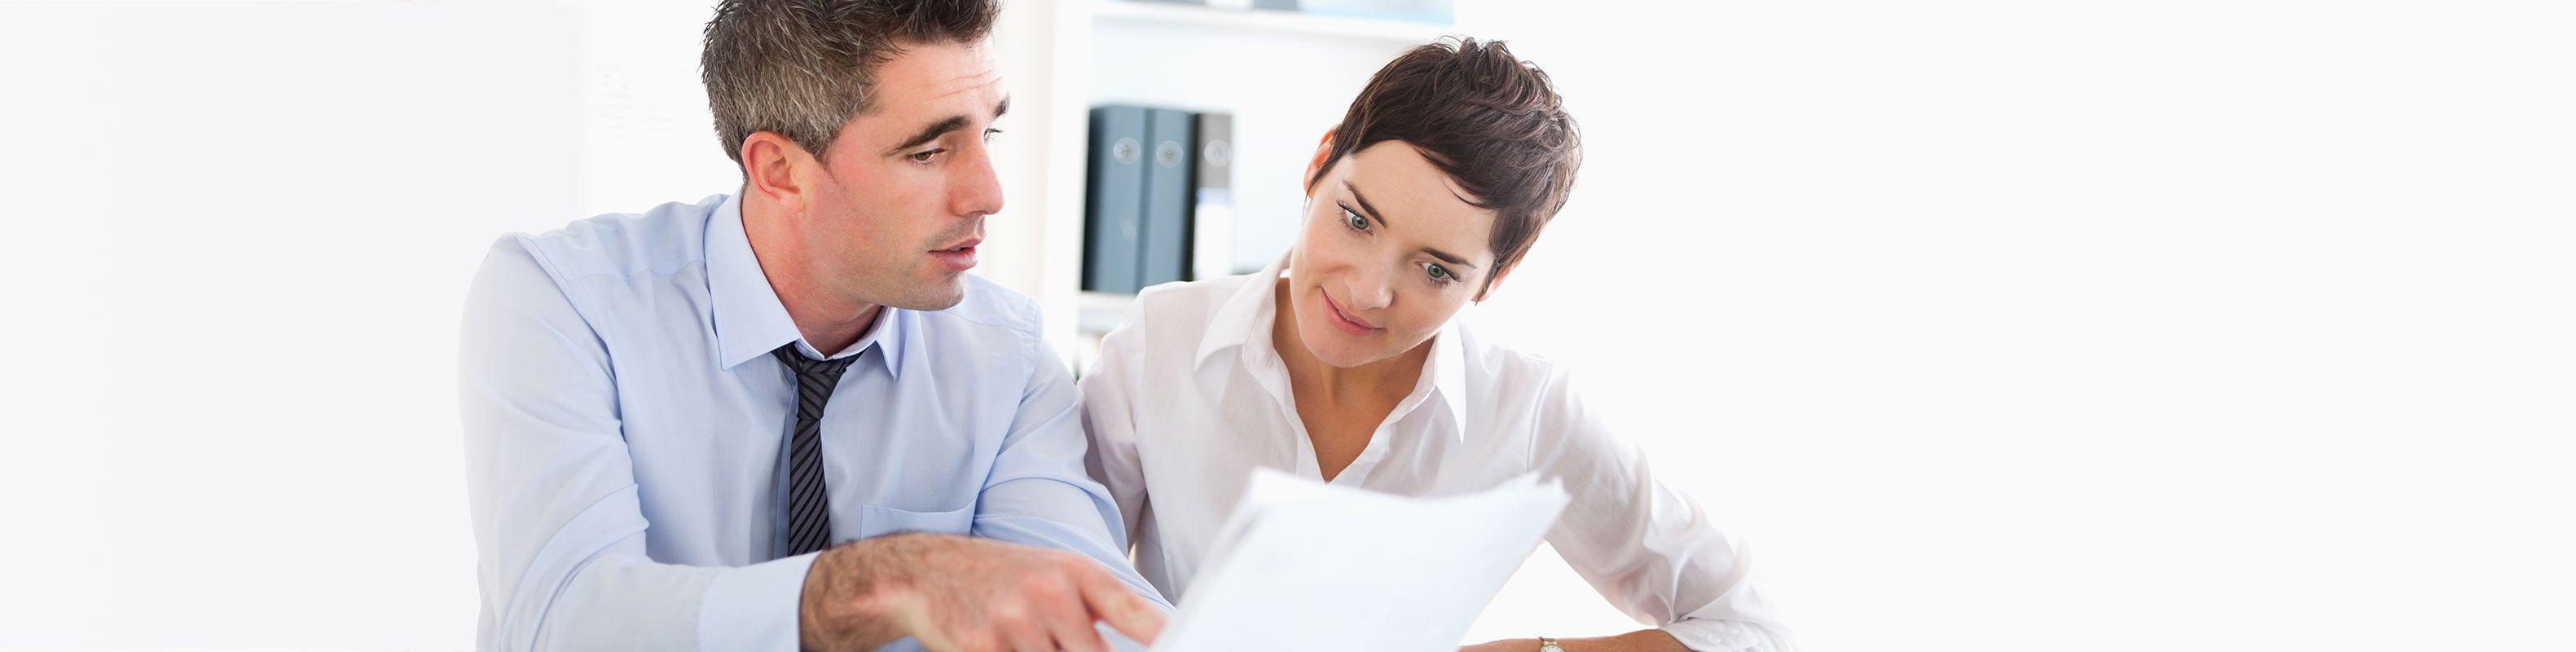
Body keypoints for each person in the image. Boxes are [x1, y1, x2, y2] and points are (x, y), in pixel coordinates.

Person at [460, 1, 1165, 650]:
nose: (989, 193)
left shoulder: (1006, 360)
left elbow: (1096, 616)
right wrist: (889, 581)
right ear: (780, 171)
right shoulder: (563, 301)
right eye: (927, 152)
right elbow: (561, 619)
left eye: (991, 133)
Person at [1078, 38, 1793, 652]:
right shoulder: (1159, 342)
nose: (1366, 292)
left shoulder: (1527, 410)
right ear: (1321, 162)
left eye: (1434, 270)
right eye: (1357, 220)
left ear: (1497, 276)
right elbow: (1046, 572)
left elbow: (1750, 628)